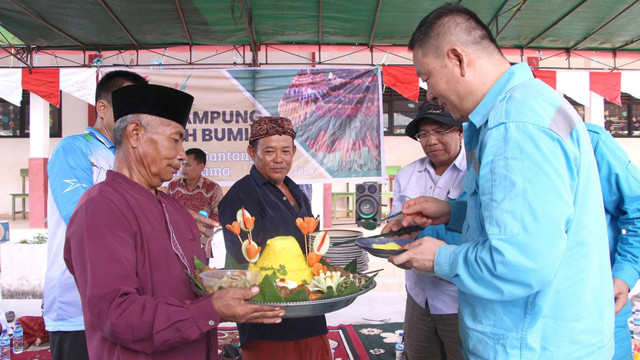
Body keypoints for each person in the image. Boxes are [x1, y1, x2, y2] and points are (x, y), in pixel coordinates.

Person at [387, 4, 614, 359]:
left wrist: (441, 258)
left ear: (458, 59)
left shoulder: (516, 126)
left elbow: (517, 262)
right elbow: (522, 218)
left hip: (532, 345)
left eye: (427, 78)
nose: (429, 95)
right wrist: (453, 213)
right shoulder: (527, 106)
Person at [64, 84, 284, 360]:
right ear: (135, 134)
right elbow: (116, 314)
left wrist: (227, 286)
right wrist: (211, 309)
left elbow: (189, 284)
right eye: (175, 140)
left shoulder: (171, 206)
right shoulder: (101, 208)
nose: (182, 154)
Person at [44, 70, 147, 360]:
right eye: (128, 107)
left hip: (123, 304)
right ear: (102, 108)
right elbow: (83, 219)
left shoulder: (131, 155)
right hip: (77, 303)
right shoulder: (74, 150)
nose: (135, 118)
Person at [219, 116, 331, 360]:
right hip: (268, 320)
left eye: (285, 151)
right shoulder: (241, 194)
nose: (279, 159)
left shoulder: (295, 190)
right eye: (269, 151)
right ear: (252, 152)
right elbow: (242, 259)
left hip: (309, 311)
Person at [385, 101, 466, 360]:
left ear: (460, 132)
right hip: (419, 296)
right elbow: (397, 226)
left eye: (441, 130)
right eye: (424, 134)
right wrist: (395, 235)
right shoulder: (408, 174)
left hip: (461, 299)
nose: (431, 140)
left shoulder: (475, 173)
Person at [586, 122, 640, 360]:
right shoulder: (487, 141)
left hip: (598, 308)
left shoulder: (588, 141)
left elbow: (637, 209)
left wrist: (624, 273)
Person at [167, 147, 223, 257]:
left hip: (201, 246)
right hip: (175, 246)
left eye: (187, 165)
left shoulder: (213, 189)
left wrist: (198, 223)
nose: (183, 169)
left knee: (200, 274)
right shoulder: (173, 187)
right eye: (182, 165)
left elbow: (218, 215)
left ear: (201, 167)